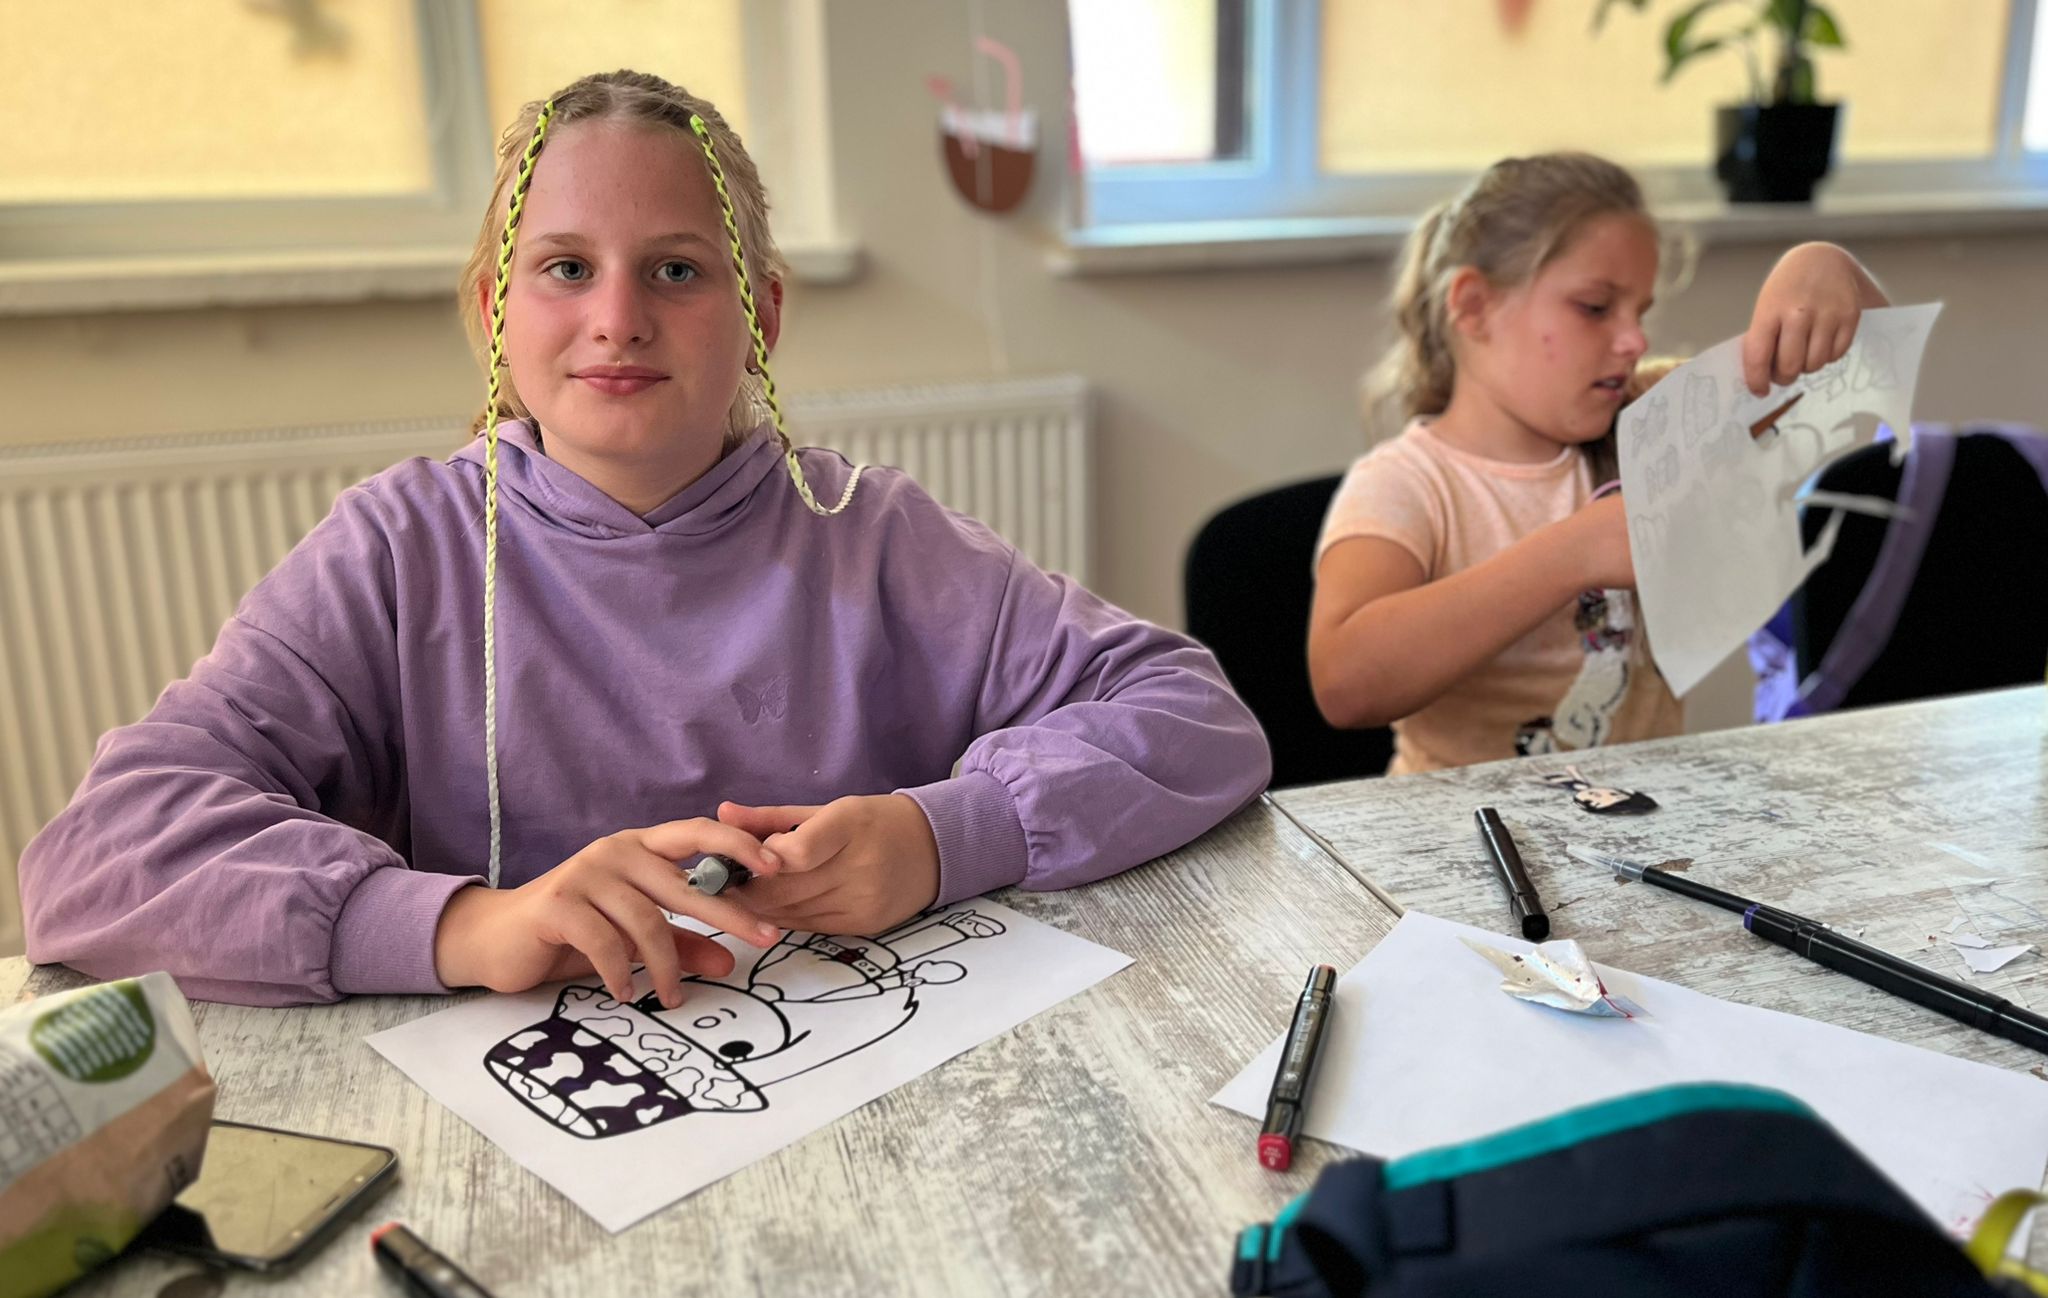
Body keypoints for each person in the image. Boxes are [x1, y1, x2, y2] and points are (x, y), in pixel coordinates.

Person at [19, 70, 1270, 1008]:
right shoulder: (399, 552)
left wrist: (943, 835)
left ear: (760, 313)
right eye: (565, 267)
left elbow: (1191, 714)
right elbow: (97, 855)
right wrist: (469, 925)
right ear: (492, 308)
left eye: (676, 270)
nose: (616, 318)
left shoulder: (875, 536)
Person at [1307, 152, 1887, 774]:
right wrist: (1572, 553)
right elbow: (1345, 684)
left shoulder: (1656, 418)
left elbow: (1874, 370)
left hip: (1643, 818)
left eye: (1640, 312)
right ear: (1473, 306)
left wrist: (1824, 267)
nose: (1635, 340)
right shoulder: (1406, 484)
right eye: (1594, 307)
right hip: (1455, 828)